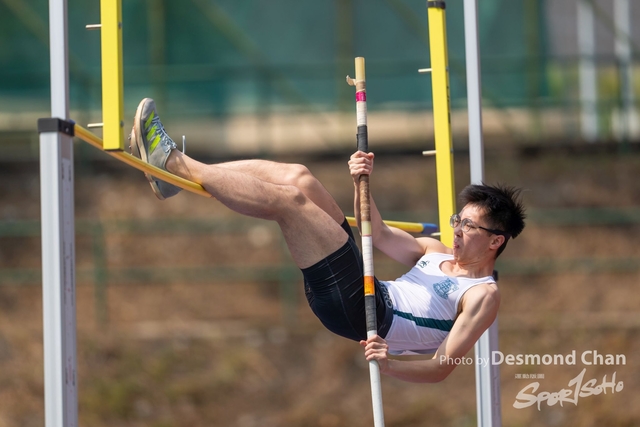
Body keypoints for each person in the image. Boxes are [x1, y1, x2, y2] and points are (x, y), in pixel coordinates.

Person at [129, 98, 526, 384]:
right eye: (458, 220)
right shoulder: (436, 250)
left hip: (362, 312)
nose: (456, 231)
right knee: (298, 178)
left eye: (468, 226)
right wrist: (360, 181)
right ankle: (179, 175)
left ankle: (173, 162)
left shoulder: (482, 295)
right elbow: (376, 232)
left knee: (291, 203)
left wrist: (390, 364)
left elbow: (442, 366)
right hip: (365, 288)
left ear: (496, 242)